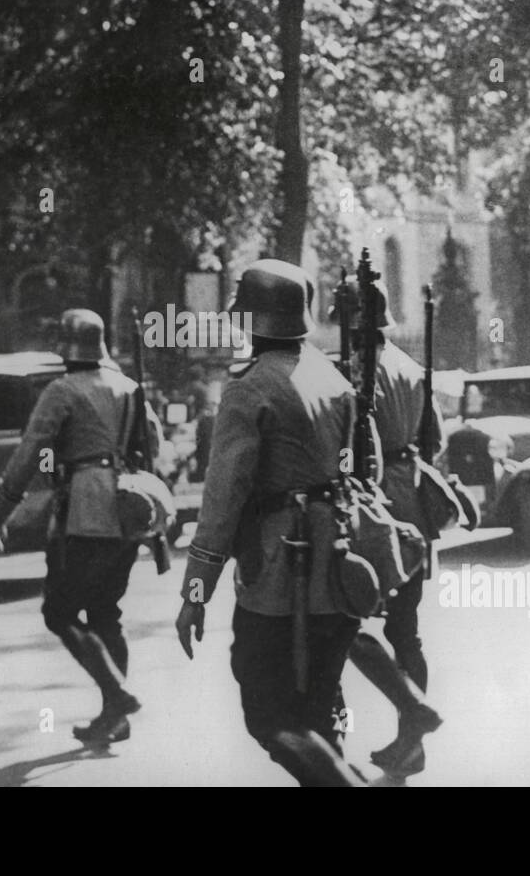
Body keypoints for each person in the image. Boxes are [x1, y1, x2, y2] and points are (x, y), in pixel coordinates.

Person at [175, 259, 366, 786]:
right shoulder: (334, 376)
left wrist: (195, 593)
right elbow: (356, 470)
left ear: (253, 319)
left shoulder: (250, 389)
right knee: (319, 709)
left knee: (268, 712)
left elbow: (221, 503)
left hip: (280, 579)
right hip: (341, 567)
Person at [0, 309, 158, 744]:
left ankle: (116, 694)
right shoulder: (130, 388)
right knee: (106, 614)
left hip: (85, 512)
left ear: (65, 346)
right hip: (129, 505)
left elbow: (30, 453)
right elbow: (151, 444)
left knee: (58, 612)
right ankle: (114, 715)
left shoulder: (61, 390)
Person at [332, 277, 444, 777]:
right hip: (413, 500)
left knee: (342, 623)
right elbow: (433, 439)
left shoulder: (353, 373)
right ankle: (411, 737)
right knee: (407, 632)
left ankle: (336, 737)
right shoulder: (412, 368)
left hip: (371, 504)